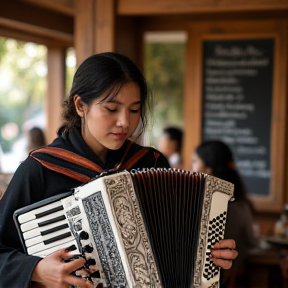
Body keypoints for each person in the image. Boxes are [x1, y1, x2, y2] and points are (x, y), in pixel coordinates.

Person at [0, 52, 237, 288]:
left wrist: (212, 258)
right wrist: (36, 270)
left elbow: (181, 250)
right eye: (112, 109)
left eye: (134, 110)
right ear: (80, 105)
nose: (125, 122)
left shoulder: (150, 164)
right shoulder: (40, 168)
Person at [191, 139, 259, 286]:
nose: (192, 168)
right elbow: (253, 241)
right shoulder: (240, 203)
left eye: (195, 161)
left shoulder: (205, 205)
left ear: (208, 168)